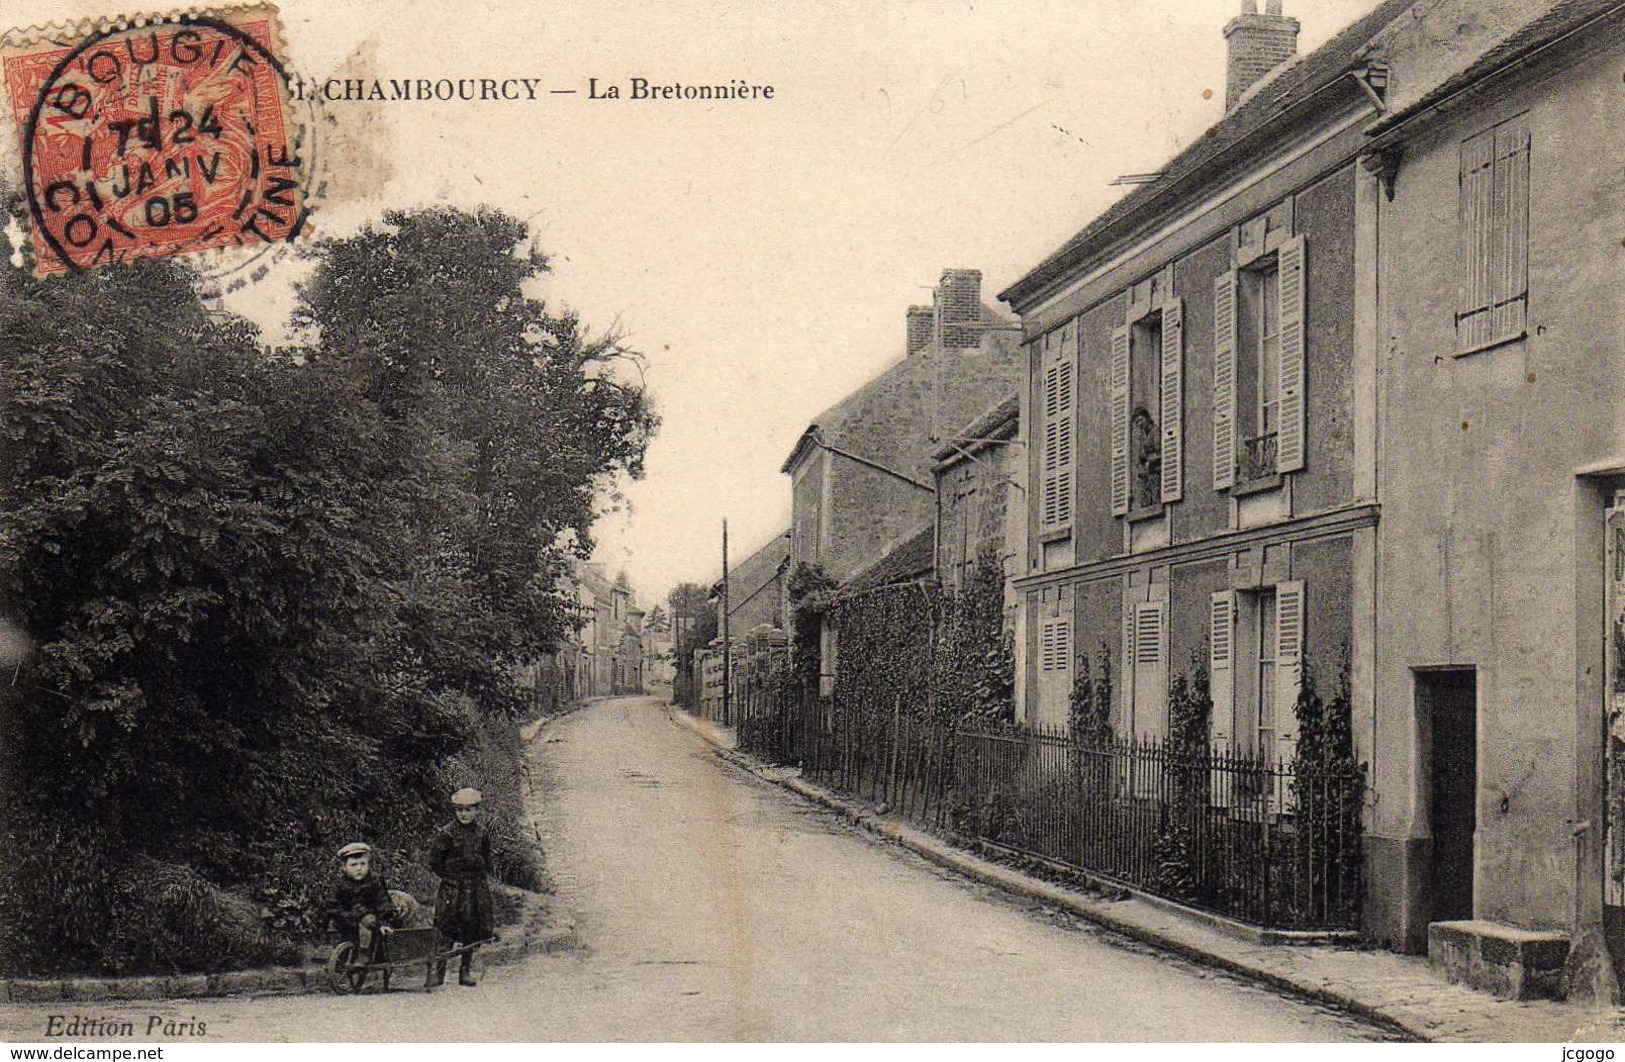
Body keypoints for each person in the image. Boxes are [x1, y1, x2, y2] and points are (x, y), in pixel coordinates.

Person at [428, 787, 495, 987]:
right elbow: (435, 860)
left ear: (476, 810)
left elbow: (487, 857)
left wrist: (479, 876)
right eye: (459, 810)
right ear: (455, 811)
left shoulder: (482, 832)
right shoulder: (447, 833)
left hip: (475, 887)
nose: (464, 814)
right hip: (453, 888)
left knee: (471, 928)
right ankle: (438, 972)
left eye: (468, 810)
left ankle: (464, 971)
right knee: (446, 928)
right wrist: (449, 877)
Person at [328, 842, 396, 967]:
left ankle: (365, 954)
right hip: (348, 916)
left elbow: (383, 901)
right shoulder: (340, 884)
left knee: (367, 922)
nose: (359, 868)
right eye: (353, 865)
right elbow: (332, 904)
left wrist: (384, 921)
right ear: (344, 867)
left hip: (369, 916)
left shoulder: (374, 881)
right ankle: (340, 956)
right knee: (335, 925)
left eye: (363, 864)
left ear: (368, 865)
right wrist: (343, 914)